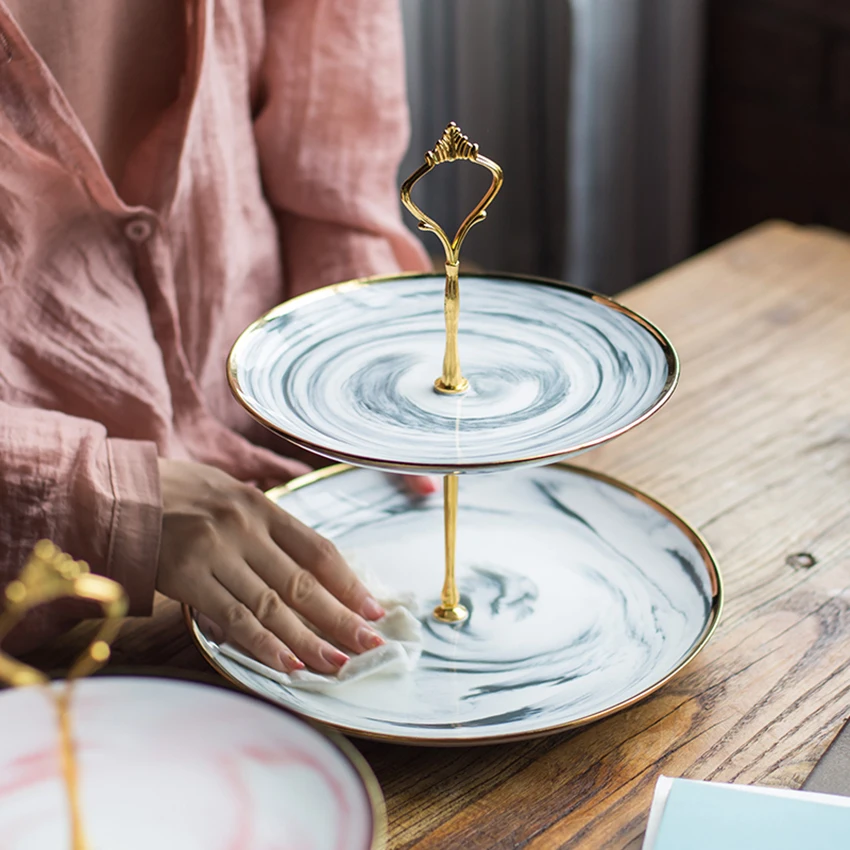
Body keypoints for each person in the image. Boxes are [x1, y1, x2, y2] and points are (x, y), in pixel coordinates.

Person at [0, 0, 433, 673]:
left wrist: (362, 363)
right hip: (46, 632)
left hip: (281, 482)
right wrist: (95, 502)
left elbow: (333, 190)